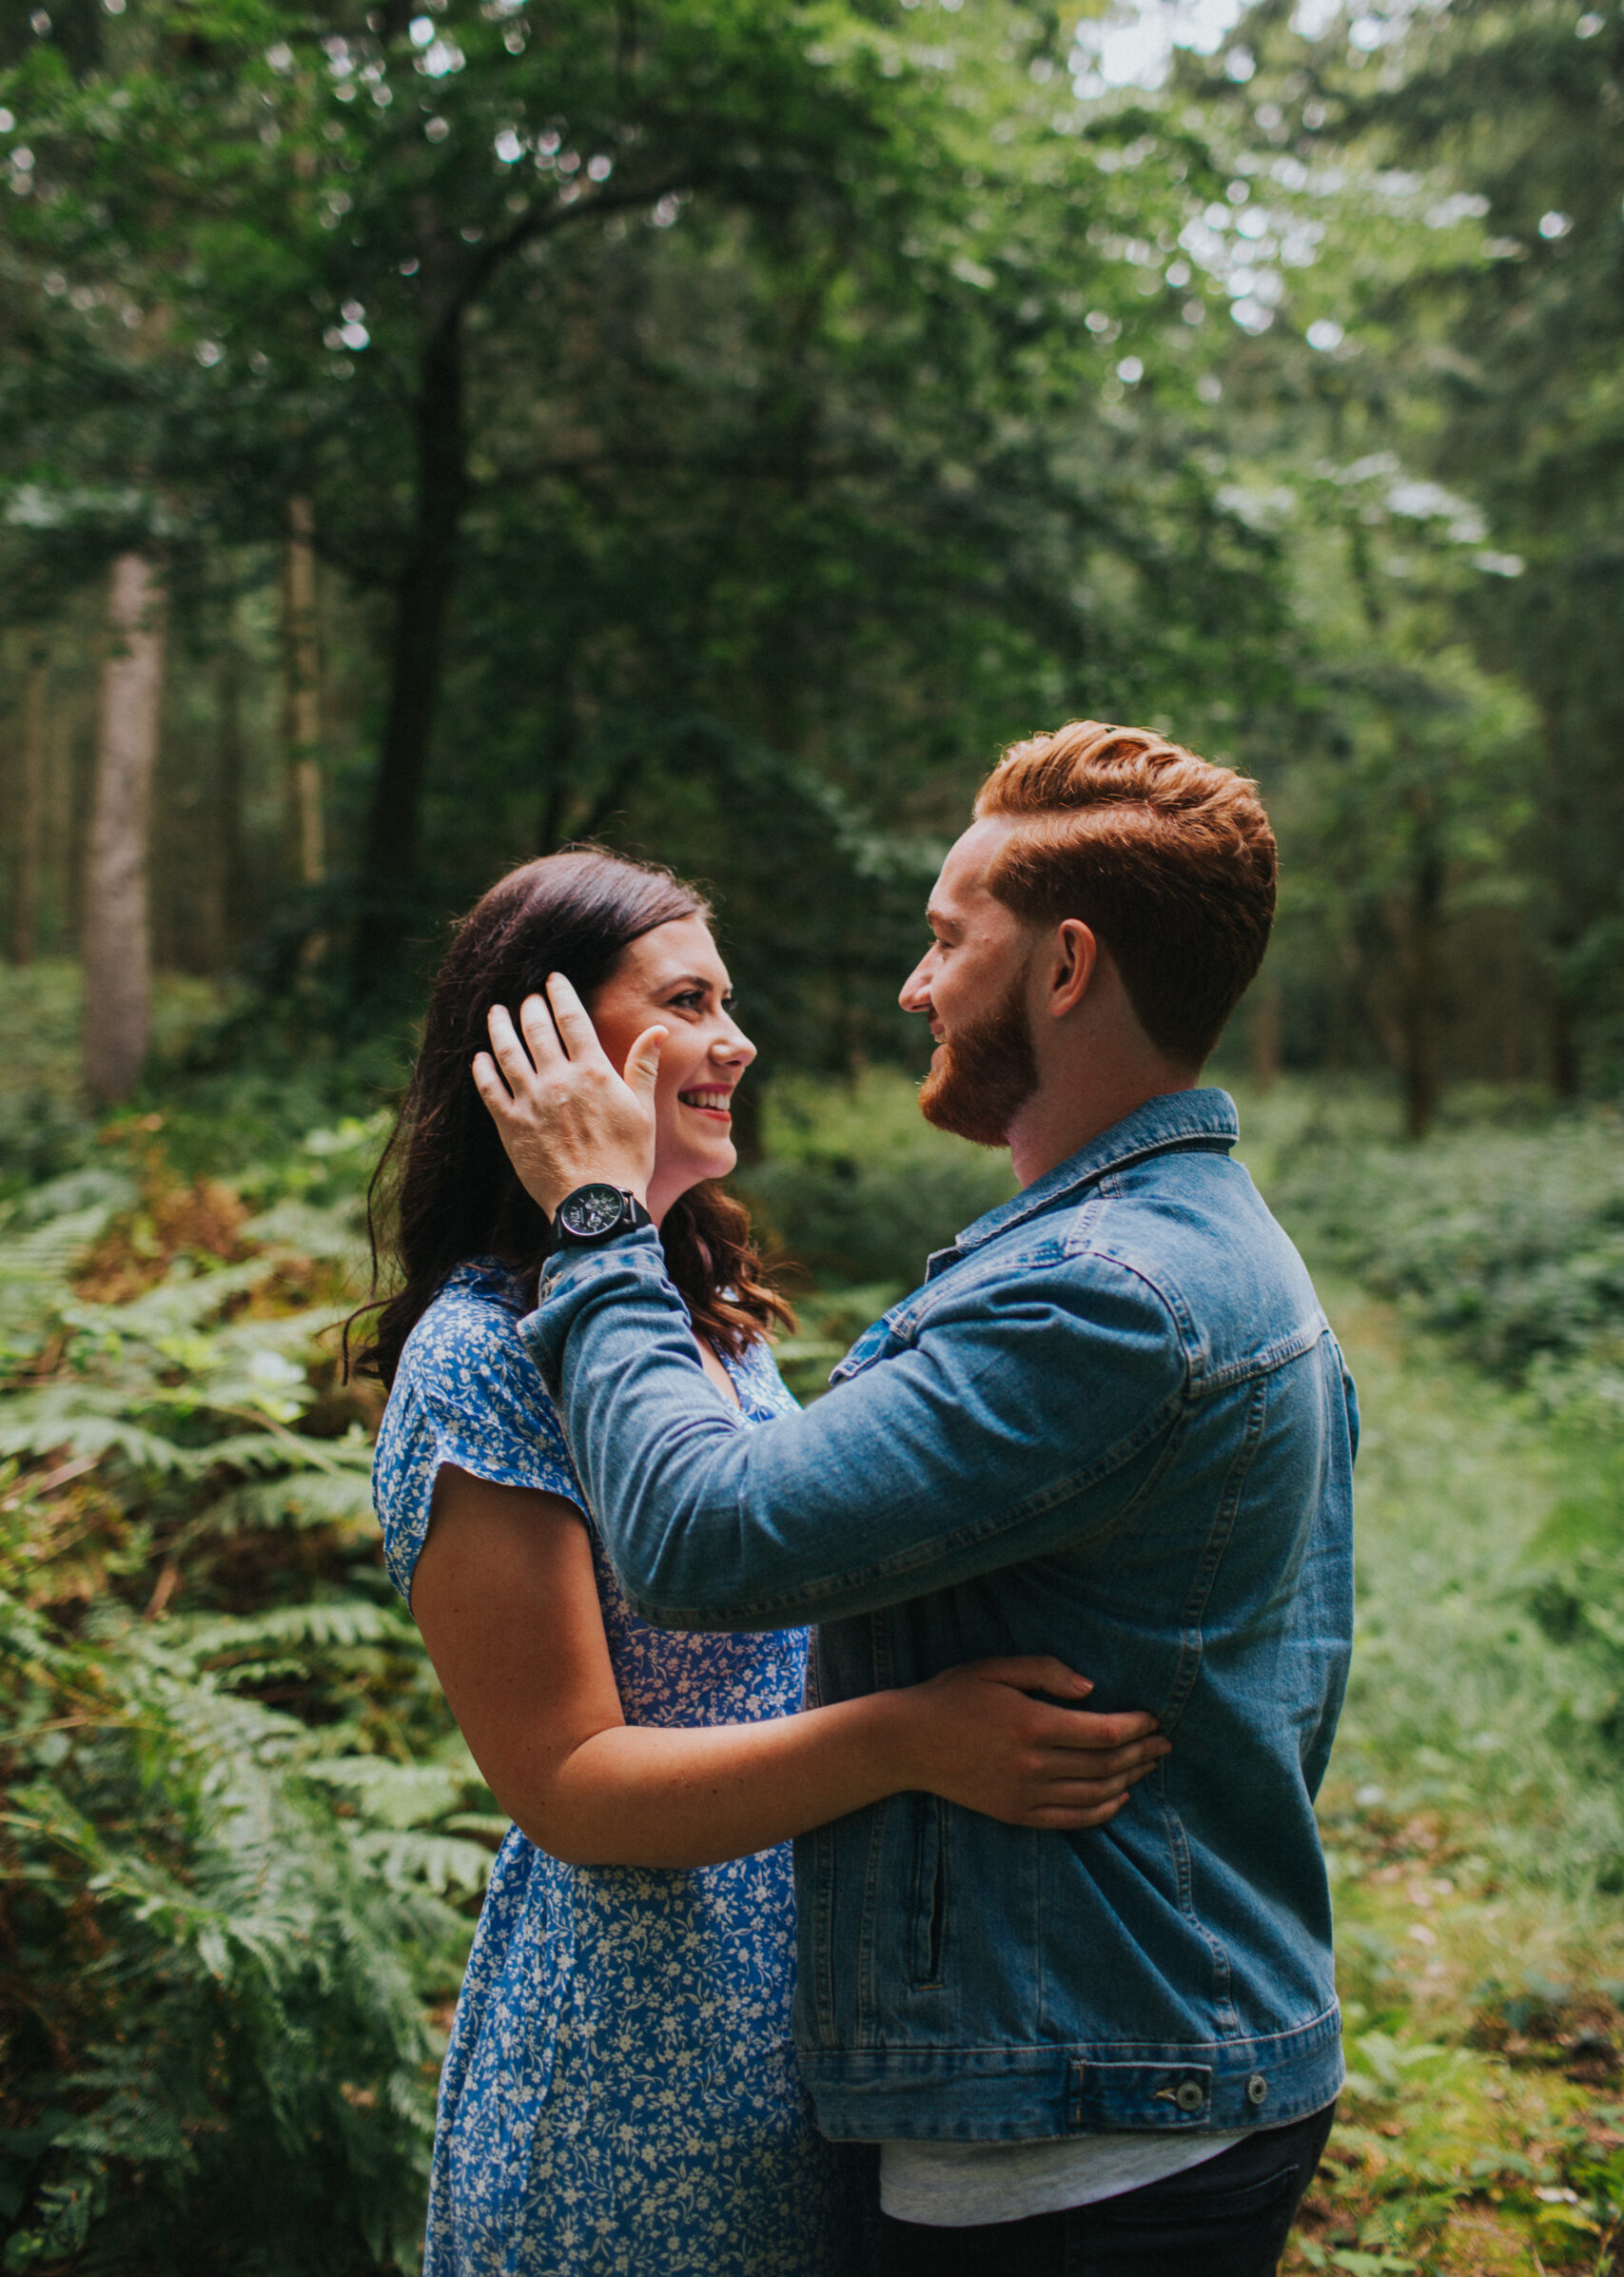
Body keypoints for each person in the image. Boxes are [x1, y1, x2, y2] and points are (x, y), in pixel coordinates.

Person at [474, 722, 1359, 2277]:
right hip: (1114, 2072)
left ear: (1066, 967)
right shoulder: (1189, 1247)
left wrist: (600, 1220)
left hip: (1077, 2134)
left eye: (950, 941)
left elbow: (703, 1533)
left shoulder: (1101, 1296)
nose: (915, 983)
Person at [362, 846, 1172, 2277]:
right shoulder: (481, 1356)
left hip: (804, 2013)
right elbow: (569, 1786)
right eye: (689, 998)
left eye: (729, 998)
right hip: (634, 2052)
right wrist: (920, 1738)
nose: (739, 1040)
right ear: (545, 1039)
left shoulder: (706, 1318)